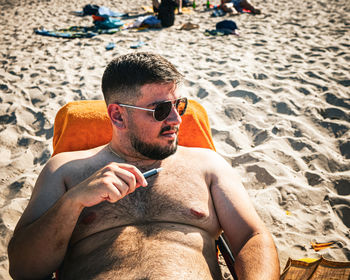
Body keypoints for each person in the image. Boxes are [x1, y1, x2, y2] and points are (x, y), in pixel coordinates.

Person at [8, 52, 279, 279]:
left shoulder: (207, 164)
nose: (176, 120)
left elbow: (251, 237)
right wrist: (73, 202)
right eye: (160, 110)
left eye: (179, 105)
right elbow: (23, 269)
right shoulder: (66, 170)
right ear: (118, 116)